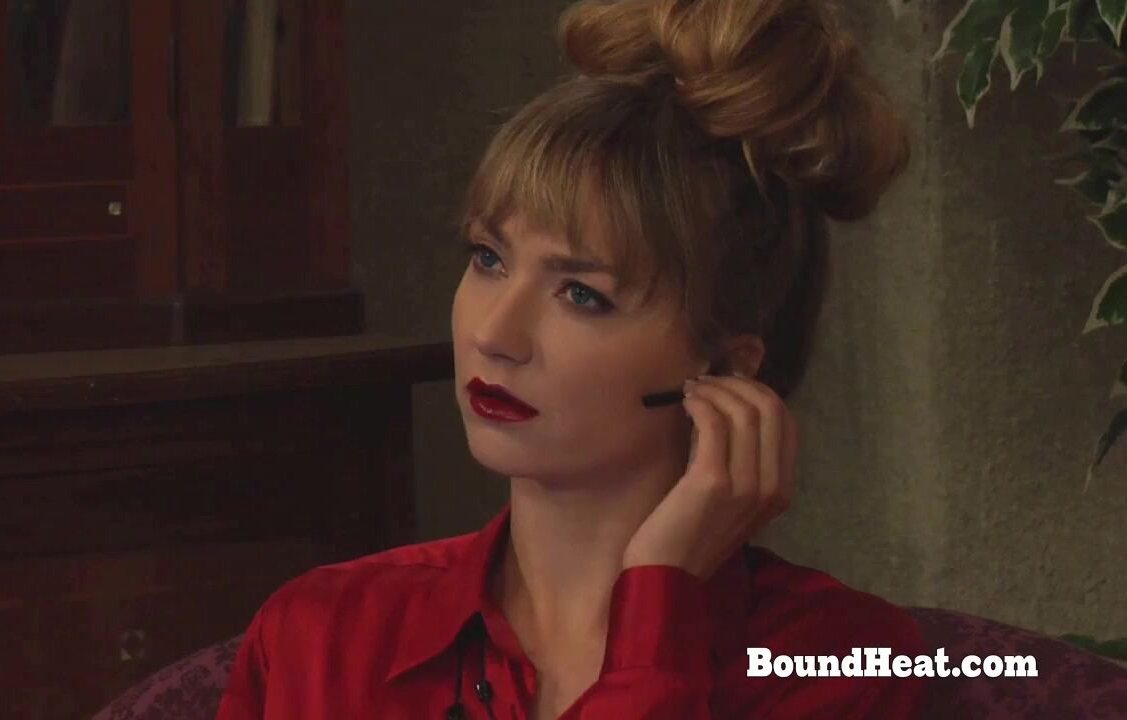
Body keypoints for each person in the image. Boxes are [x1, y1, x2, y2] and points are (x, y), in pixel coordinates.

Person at [216, 0, 930, 717]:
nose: (496, 334)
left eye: (582, 295)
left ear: (727, 366)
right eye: (488, 258)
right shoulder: (321, 633)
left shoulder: (836, 660)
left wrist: (661, 595)